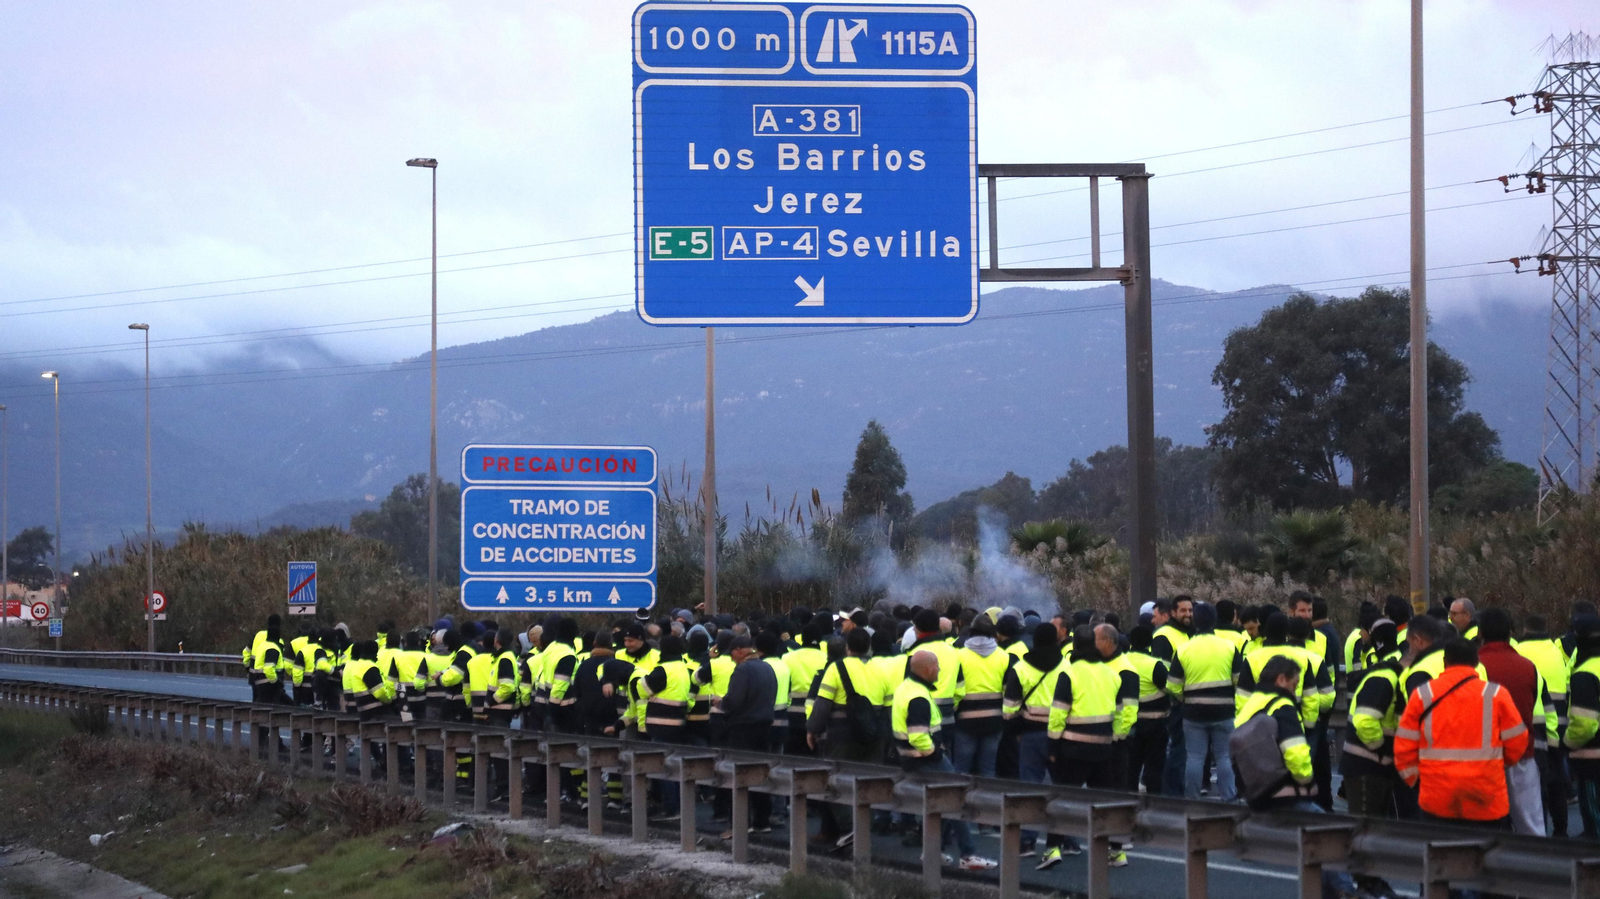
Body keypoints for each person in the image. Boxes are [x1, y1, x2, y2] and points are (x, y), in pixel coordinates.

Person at [1236, 656, 1359, 898]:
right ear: (1281, 680)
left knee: (1317, 838)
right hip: (1282, 792)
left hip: (1254, 791)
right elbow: (1296, 753)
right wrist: (1306, 782)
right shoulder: (1282, 706)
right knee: (1330, 834)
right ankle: (1345, 890)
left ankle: (1331, 891)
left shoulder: (1251, 704)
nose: (1296, 689)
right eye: (1294, 683)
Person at [1394, 639, 1528, 830]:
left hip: (1437, 798)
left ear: (1444, 661)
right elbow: (1517, 743)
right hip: (1486, 797)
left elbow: (1403, 749)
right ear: (1476, 663)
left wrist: (1417, 782)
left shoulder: (1423, 695)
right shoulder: (1496, 694)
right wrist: (1495, 767)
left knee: (1441, 855)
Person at [891, 649, 996, 872]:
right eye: (937, 666)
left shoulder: (907, 688)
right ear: (928, 669)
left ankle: (933, 851)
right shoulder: (918, 697)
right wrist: (934, 752)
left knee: (946, 803)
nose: (939, 669)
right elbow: (918, 735)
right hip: (926, 760)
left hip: (912, 760)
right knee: (957, 800)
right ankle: (968, 854)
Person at [1047, 626, 1134, 869]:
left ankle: (1053, 847)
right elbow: (1120, 712)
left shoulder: (1070, 673)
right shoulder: (1111, 674)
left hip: (1073, 748)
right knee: (1106, 801)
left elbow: (1058, 713)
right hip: (1104, 749)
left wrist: (1052, 745)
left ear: (1074, 647)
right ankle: (1117, 851)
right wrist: (1114, 738)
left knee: (1062, 798)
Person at [1002, 622, 1079, 863]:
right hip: (1060, 735)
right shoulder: (1068, 666)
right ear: (1057, 640)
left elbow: (1009, 709)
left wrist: (1017, 731)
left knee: (1030, 789)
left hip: (1030, 735)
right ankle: (1067, 840)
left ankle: (1027, 841)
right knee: (1061, 788)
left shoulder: (1021, 667)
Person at [1477, 608, 1553, 835]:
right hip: (1522, 753)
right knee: (1531, 826)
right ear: (1510, 632)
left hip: (1485, 756)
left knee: (1488, 826)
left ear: (1480, 633)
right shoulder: (1526, 666)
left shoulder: (1476, 665)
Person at [1168, 603, 1238, 802]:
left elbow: (1173, 685)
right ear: (1214, 621)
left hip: (1193, 712)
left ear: (1195, 622)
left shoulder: (1183, 650)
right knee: (1224, 757)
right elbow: (1238, 680)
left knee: (1195, 758)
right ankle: (1228, 798)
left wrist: (1185, 699)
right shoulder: (1229, 647)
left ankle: (1192, 799)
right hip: (1224, 710)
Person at [716, 634, 778, 839]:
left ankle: (738, 825)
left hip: (743, 728)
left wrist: (720, 703)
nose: (731, 658)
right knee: (760, 774)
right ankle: (762, 821)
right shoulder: (767, 667)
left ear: (740, 650)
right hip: (765, 726)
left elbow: (734, 700)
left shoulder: (743, 669)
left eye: (732, 654)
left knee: (739, 776)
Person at [1516, 613, 1571, 837]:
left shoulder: (1520, 652)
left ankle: (1541, 831)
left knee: (1535, 785)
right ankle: (1561, 829)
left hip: (1532, 724)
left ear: (1525, 630)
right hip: (1559, 721)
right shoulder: (1556, 650)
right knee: (1557, 780)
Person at [952, 616, 1012, 779]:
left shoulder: (959, 655)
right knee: (988, 770)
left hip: (965, 721)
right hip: (994, 720)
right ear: (993, 634)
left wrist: (954, 711)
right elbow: (1008, 691)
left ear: (971, 632)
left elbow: (956, 690)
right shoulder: (1004, 656)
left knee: (961, 771)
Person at [1151, 596, 1193, 796]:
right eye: (1183, 611)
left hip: (1186, 700)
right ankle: (1172, 794)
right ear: (1173, 613)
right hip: (1175, 701)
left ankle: (1178, 792)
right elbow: (1160, 670)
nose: (1188, 614)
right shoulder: (1164, 635)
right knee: (1177, 750)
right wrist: (1176, 694)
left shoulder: (1186, 634)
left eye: (1190, 610)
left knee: (1183, 751)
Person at [1564, 614, 1600, 840]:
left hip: (1593, 759)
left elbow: (1584, 724)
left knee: (1595, 827)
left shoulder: (1585, 673)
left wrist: (1567, 741)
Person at [1122, 623, 1169, 794]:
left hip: (1129, 724)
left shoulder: (1121, 661)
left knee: (1131, 768)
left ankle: (1130, 804)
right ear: (1150, 642)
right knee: (1154, 767)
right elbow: (1169, 688)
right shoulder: (1155, 664)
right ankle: (1155, 805)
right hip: (1155, 723)